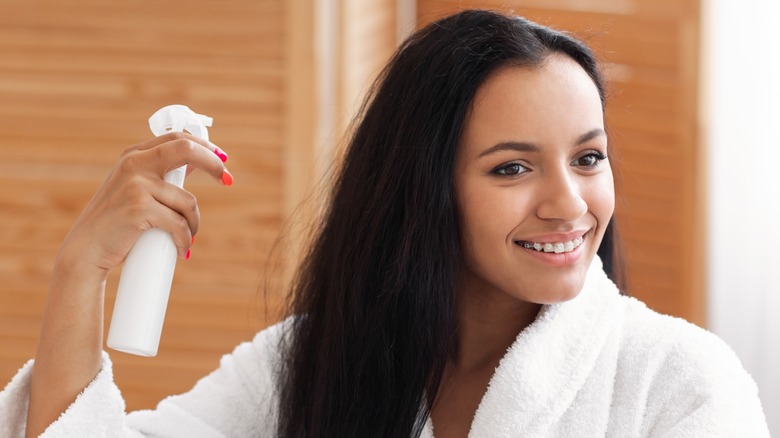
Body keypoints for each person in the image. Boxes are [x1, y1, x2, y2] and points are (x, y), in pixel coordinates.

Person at [0, 9, 769, 438]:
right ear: (423, 189)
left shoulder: (680, 385)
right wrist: (81, 270)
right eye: (512, 167)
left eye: (590, 158)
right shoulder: (313, 361)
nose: (570, 203)